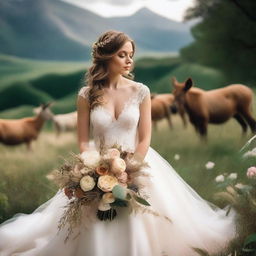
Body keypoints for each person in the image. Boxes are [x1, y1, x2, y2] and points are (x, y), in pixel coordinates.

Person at [0, 30, 237, 256]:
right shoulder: (86, 95)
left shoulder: (141, 91)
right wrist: (92, 168)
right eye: (122, 54)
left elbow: (145, 137)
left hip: (138, 163)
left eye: (131, 55)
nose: (128, 60)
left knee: (144, 215)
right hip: (96, 166)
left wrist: (129, 169)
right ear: (106, 56)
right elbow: (83, 140)